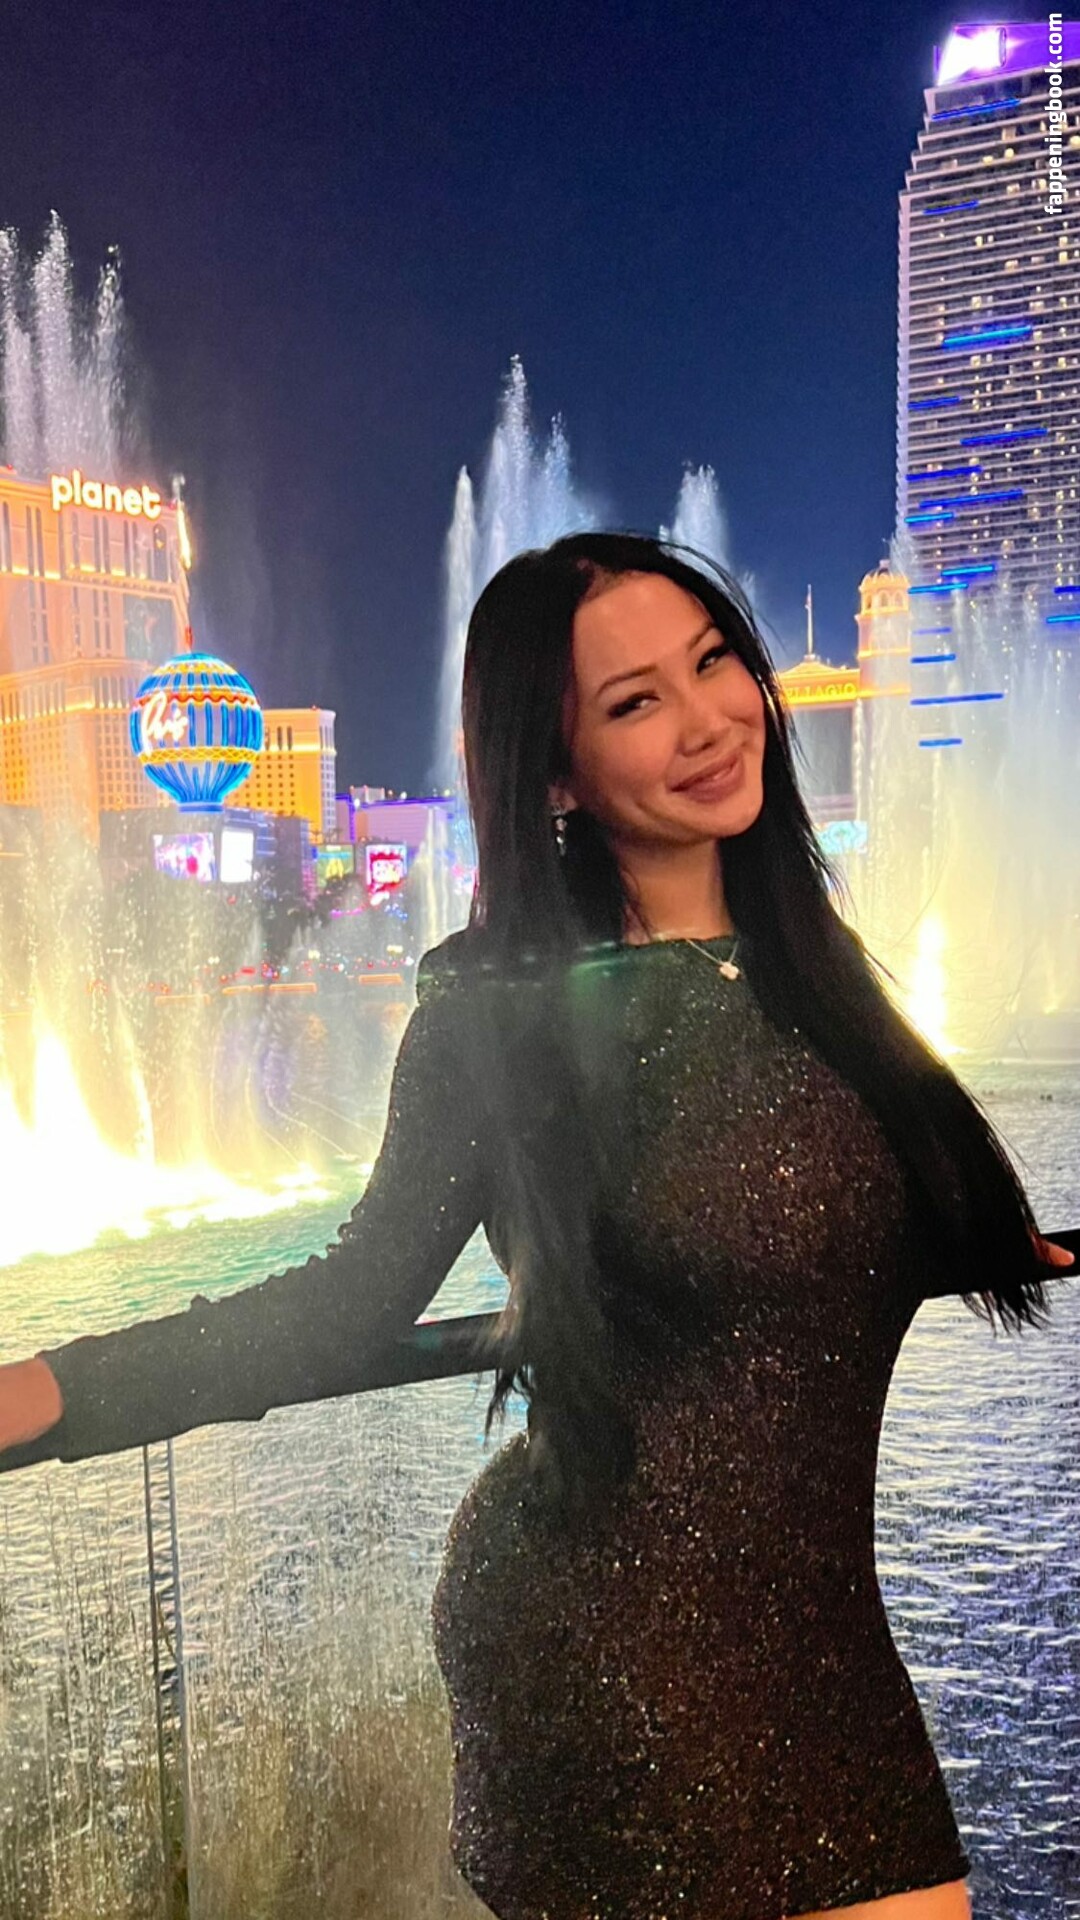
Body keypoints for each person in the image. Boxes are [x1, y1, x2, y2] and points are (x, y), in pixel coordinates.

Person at [0, 533, 1073, 1920]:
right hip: (609, 1641)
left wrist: (965, 1238)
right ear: (556, 773)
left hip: (821, 1639)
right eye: (635, 703)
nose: (707, 721)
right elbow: (347, 1301)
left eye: (712, 663)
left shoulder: (811, 968)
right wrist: (51, 1388)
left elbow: (831, 1216)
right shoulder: (497, 1011)